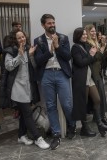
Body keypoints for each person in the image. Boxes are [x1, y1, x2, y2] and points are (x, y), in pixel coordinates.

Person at [33, 14, 75, 150]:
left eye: (53, 22)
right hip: (46, 75)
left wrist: (57, 46)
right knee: (50, 105)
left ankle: (72, 124)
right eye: (49, 23)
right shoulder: (38, 40)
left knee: (67, 104)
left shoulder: (63, 38)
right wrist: (50, 52)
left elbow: (68, 56)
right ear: (43, 25)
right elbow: (38, 61)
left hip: (62, 73)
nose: (52, 25)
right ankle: (56, 133)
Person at [3, 30, 50, 149]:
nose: (22, 39)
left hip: (29, 87)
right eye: (19, 38)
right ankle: (38, 138)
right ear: (14, 39)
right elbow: (8, 66)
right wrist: (19, 55)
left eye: (23, 37)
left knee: (24, 114)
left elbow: (34, 67)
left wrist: (30, 55)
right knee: (27, 112)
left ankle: (21, 135)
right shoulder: (10, 51)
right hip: (17, 87)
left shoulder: (29, 49)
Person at [71, 27, 107, 137]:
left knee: (97, 99)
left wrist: (94, 53)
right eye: (82, 34)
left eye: (85, 34)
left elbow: (92, 60)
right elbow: (80, 63)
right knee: (83, 104)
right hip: (82, 79)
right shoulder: (75, 47)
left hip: (90, 78)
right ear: (77, 36)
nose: (85, 36)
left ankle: (100, 124)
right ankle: (85, 128)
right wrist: (92, 55)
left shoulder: (84, 46)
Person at [85, 25, 107, 127]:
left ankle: (100, 117)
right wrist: (103, 49)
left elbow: (101, 58)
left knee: (100, 96)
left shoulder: (95, 43)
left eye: (94, 31)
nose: (93, 33)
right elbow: (96, 57)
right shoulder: (88, 44)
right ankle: (101, 118)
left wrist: (106, 49)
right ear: (87, 32)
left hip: (98, 72)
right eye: (91, 31)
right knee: (98, 97)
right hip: (93, 73)